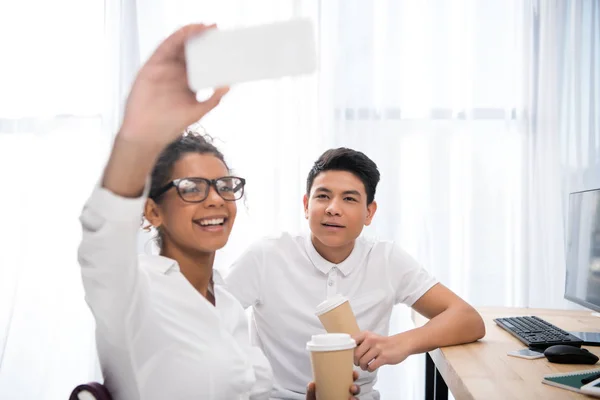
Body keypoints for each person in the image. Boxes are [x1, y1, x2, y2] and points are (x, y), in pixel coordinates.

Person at [78, 24, 359, 400]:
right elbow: (103, 233)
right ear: (152, 211)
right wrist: (138, 134)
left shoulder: (225, 303)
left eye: (224, 186)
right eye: (191, 188)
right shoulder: (133, 291)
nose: (215, 199)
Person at [224, 147, 486, 399]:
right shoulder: (267, 255)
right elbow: (206, 322)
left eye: (349, 199)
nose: (333, 208)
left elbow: (468, 319)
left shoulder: (386, 259)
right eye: (323, 196)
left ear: (369, 213)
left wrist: (400, 343)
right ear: (306, 205)